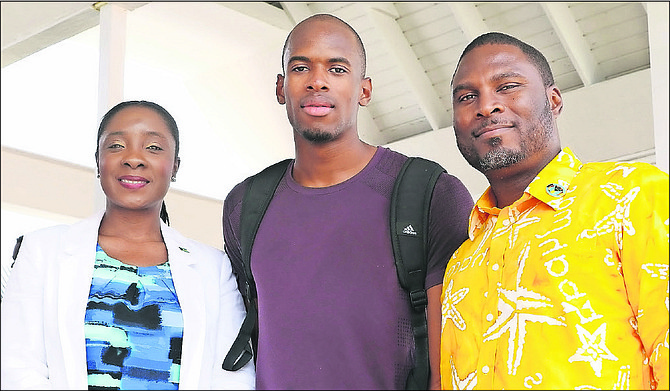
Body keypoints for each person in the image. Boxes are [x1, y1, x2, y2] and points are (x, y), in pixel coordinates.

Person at [222, 14, 473, 390]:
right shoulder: (246, 204)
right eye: (301, 67)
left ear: (364, 90)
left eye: (337, 69)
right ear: (280, 87)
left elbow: (450, 367)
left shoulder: (430, 194)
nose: (317, 80)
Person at [439, 31, 669, 390]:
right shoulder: (462, 262)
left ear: (554, 100)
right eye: (468, 97)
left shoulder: (631, 195)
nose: (486, 106)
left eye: (508, 86)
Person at [1, 100, 255, 389]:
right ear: (98, 160)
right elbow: (17, 366)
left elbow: (233, 375)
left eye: (154, 147)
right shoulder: (42, 250)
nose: (134, 158)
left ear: (175, 166)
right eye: (117, 146)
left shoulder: (214, 267)